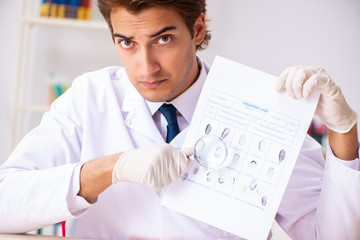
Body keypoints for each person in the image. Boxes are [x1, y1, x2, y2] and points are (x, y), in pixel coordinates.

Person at [0, 0, 359, 239]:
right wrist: (111, 169)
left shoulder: (262, 108)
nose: (145, 66)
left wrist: (344, 133)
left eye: (163, 39)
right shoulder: (90, 97)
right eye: (126, 42)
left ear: (198, 29)